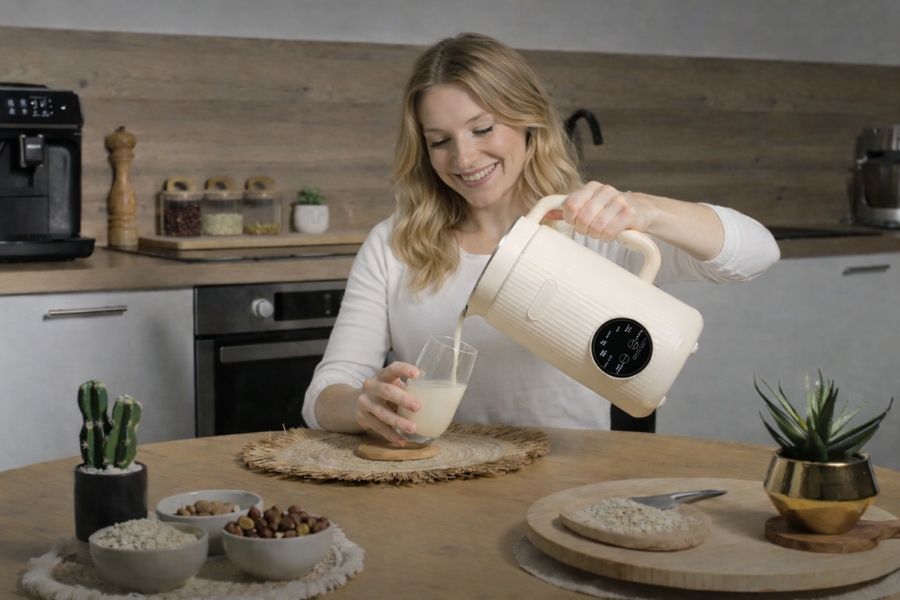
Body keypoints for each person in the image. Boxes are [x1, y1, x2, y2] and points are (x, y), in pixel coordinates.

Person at [302, 33, 780, 446]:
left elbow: (758, 253)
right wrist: (363, 405)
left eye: (483, 128)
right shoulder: (395, 244)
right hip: (439, 481)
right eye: (440, 141)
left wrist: (647, 210)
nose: (464, 158)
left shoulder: (591, 227)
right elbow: (324, 394)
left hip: (567, 486)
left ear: (528, 122)